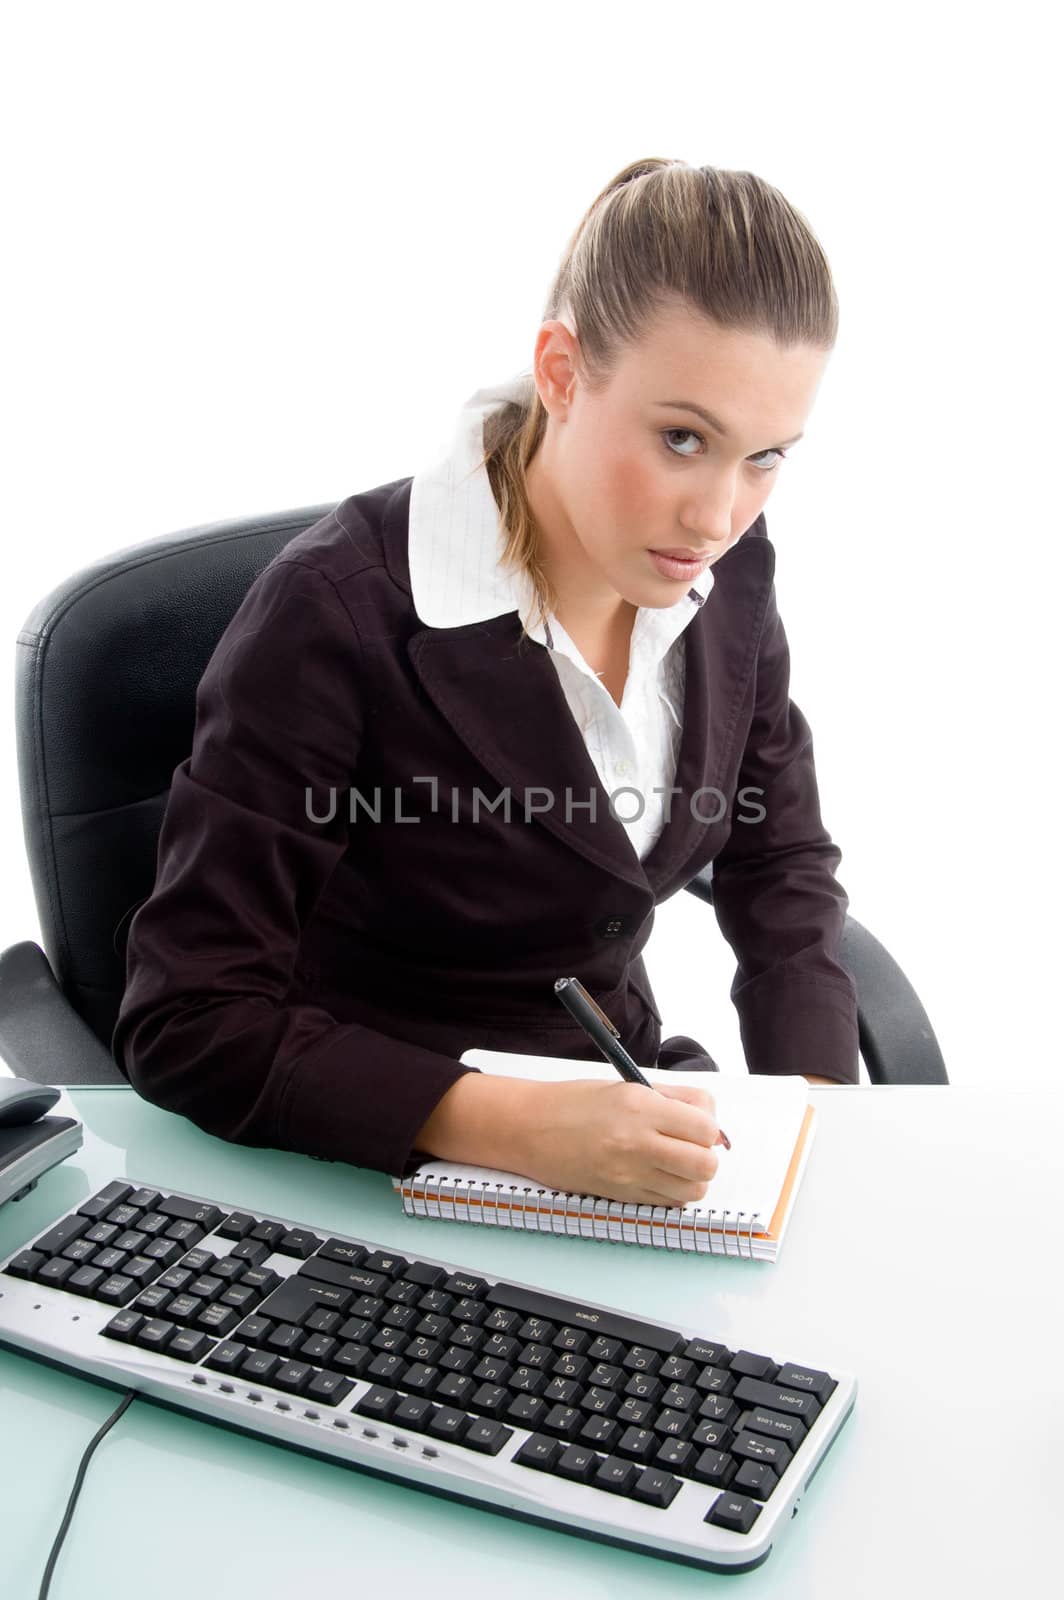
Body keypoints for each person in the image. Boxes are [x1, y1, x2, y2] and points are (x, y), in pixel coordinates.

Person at [113, 157, 859, 1209]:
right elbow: (186, 1017)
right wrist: (502, 1123)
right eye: (680, 438)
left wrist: (814, 1118)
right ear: (560, 370)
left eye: (766, 455)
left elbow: (776, 851)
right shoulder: (335, 610)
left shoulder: (722, 567)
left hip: (628, 1115)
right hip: (371, 1159)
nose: (716, 514)